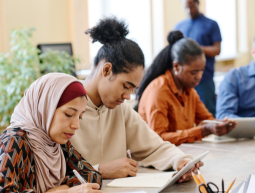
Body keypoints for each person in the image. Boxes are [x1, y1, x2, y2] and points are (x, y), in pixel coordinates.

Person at [70, 17, 203, 182]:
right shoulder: (66, 106)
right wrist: (100, 171)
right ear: (106, 70)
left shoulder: (121, 110)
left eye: (132, 90)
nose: (127, 97)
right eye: (126, 86)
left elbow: (154, 147)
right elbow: (49, 173)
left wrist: (180, 161)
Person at [137, 31, 236, 146]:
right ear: (176, 67)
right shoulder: (158, 91)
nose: (199, 76)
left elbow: (206, 120)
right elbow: (158, 138)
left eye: (202, 70)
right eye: (194, 72)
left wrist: (220, 125)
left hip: (181, 154)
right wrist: (204, 130)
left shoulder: (189, 90)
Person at [175, 0, 222, 116]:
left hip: (204, 78)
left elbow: (217, 50)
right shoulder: (179, 26)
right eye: (186, 7)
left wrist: (196, 48)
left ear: (197, 3)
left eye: (192, 6)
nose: (189, 10)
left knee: (207, 112)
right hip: (183, 79)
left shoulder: (211, 24)